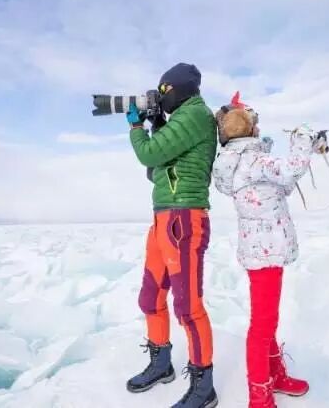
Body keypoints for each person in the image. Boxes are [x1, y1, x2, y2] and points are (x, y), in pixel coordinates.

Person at [212, 93, 325, 408]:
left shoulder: (240, 162)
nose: (259, 127)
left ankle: (275, 377)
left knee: (266, 322)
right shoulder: (254, 161)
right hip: (266, 252)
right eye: (254, 123)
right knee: (262, 327)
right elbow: (290, 169)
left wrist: (301, 152)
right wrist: (303, 138)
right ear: (248, 129)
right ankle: (259, 397)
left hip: (260, 251)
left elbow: (281, 185)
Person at [125, 63, 219, 408]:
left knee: (188, 307)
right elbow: (158, 170)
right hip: (163, 218)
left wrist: (137, 126)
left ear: (176, 90)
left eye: (163, 92)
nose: (160, 98)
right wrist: (157, 124)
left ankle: (203, 386)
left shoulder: (195, 115)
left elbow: (148, 154)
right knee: (150, 297)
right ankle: (161, 363)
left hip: (184, 218)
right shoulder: (182, 118)